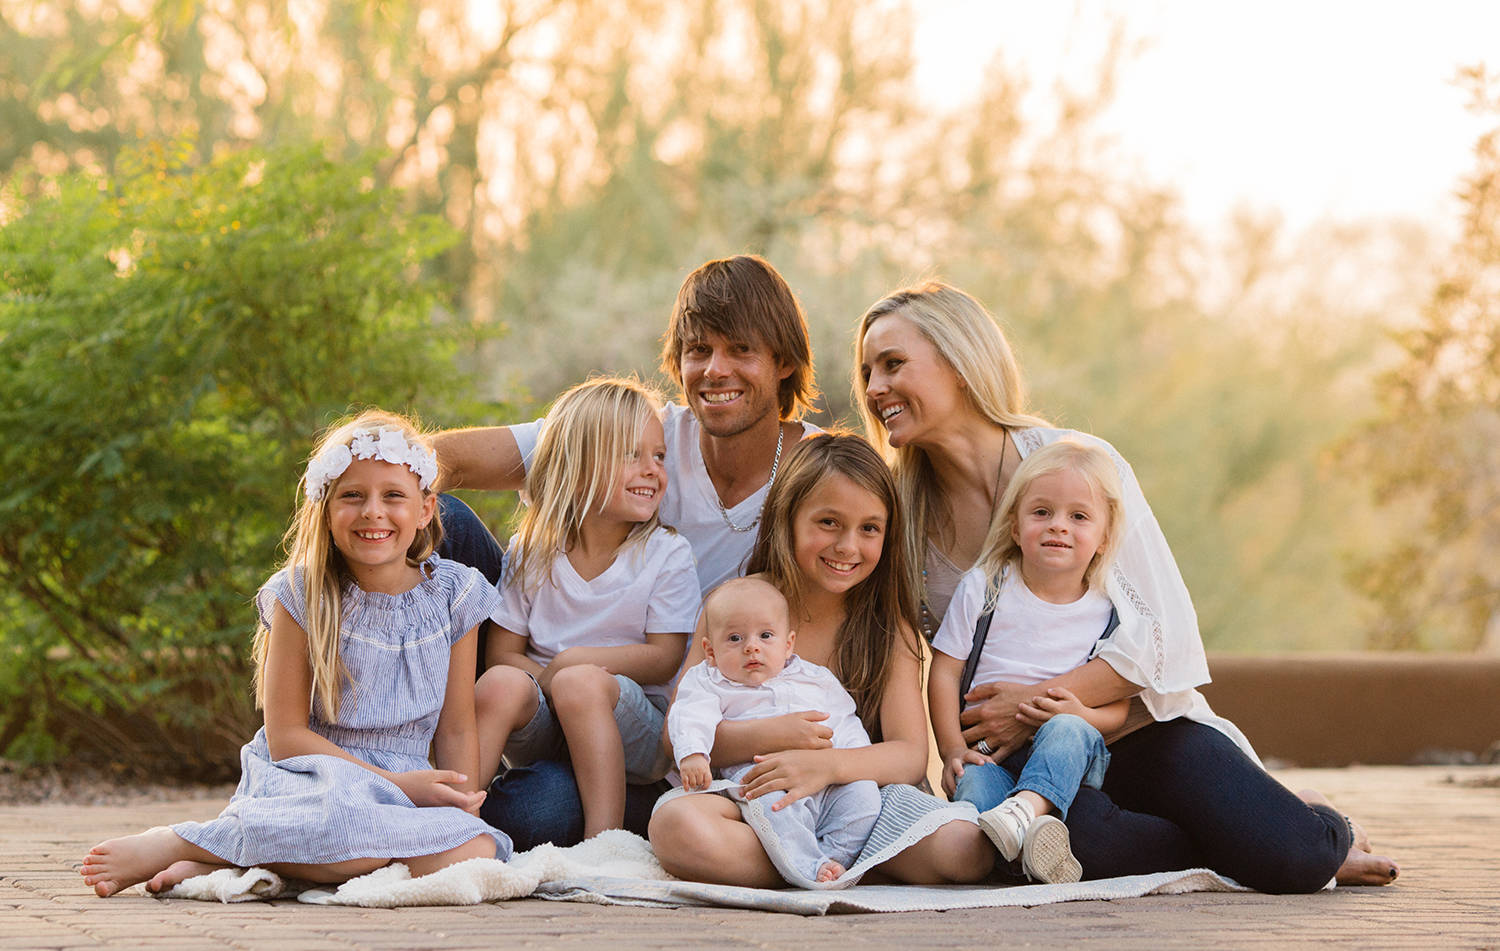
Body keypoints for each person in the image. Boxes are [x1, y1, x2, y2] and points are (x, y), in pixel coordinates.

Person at [856, 281, 1398, 891]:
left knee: (1296, 860)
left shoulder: (1078, 466)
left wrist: (1028, 707)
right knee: (1034, 851)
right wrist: (944, 762)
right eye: (868, 370)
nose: (875, 389)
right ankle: (1235, 834)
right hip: (1017, 775)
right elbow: (904, 659)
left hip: (1140, 737)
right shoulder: (898, 512)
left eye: (893, 364)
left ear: (959, 363)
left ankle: (1313, 823)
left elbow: (1163, 635)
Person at [434, 254, 820, 846]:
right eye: (698, 351)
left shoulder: (817, 471)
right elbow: (444, 459)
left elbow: (666, 656)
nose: (716, 371)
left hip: (667, 719)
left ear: (784, 361)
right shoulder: (627, 427)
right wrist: (350, 474)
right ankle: (383, 774)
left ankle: (585, 828)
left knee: (537, 814)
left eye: (741, 350)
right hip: (538, 697)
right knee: (429, 509)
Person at [79, 411, 509, 898]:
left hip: (405, 790)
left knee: (477, 850)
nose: (373, 511)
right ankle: (179, 842)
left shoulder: (455, 595)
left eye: (393, 495)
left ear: (427, 509)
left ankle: (242, 864)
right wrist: (397, 784)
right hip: (314, 779)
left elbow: (455, 725)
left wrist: (459, 801)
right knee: (353, 840)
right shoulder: (303, 594)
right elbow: (285, 738)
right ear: (326, 509)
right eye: (352, 495)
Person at [649, 434, 997, 887]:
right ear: (787, 519)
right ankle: (818, 866)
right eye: (829, 522)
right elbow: (675, 735)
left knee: (966, 849)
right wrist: (769, 737)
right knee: (676, 828)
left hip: (855, 798)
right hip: (755, 795)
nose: (848, 547)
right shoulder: (735, 608)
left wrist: (826, 767)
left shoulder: (887, 629)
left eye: (869, 528)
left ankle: (815, 862)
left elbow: (910, 756)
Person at [472, 378, 700, 839]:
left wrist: (573, 664)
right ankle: (457, 824)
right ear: (577, 466)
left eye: (658, 456)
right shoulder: (532, 553)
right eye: (631, 454)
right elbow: (502, 656)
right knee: (498, 684)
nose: (651, 469)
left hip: (635, 731)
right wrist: (551, 679)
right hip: (550, 715)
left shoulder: (665, 553)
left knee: (580, 682)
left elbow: (664, 658)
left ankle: (605, 844)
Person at [930, 440, 1132, 884]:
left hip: (1068, 761)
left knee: (1065, 728)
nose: (1058, 526)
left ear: (1103, 537)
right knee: (976, 794)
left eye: (1078, 517)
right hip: (991, 758)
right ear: (1016, 527)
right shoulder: (985, 588)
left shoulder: (1108, 612)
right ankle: (1037, 849)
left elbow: (1119, 707)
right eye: (1042, 512)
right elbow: (944, 671)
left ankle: (1027, 813)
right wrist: (951, 751)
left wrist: (1083, 714)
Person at [670, 577, 881, 884]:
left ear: (788, 644)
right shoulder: (709, 681)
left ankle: (835, 857)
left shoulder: (814, 679)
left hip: (824, 781)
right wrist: (693, 753)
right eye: (734, 639)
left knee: (864, 798)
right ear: (710, 650)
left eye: (765, 635)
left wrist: (849, 763)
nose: (751, 647)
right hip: (761, 780)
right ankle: (807, 867)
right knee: (774, 809)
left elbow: (845, 722)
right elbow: (689, 715)